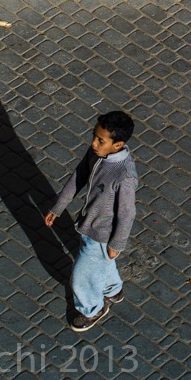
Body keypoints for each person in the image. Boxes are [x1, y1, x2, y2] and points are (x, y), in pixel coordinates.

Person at [44, 111, 138, 332]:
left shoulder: (124, 175)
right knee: (101, 262)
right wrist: (58, 207)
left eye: (100, 140)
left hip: (102, 234)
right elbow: (78, 176)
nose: (93, 143)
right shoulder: (97, 154)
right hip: (89, 224)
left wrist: (116, 244)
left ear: (118, 145)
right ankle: (113, 290)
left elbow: (127, 214)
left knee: (81, 277)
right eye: (94, 136)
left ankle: (92, 309)